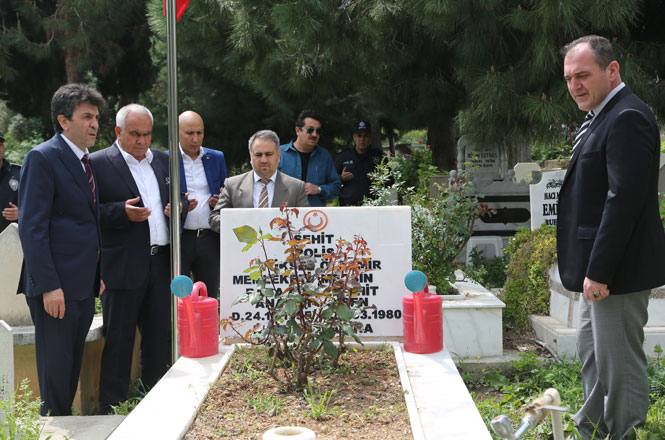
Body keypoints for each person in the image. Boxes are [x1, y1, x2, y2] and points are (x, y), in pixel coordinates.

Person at [557, 35, 665, 439]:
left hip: (617, 269)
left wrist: (599, 271)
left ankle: (624, 432)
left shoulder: (627, 117)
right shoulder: (602, 115)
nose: (575, 85)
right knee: (593, 356)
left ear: (612, 70)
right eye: (569, 78)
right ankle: (593, 431)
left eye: (583, 75)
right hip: (597, 267)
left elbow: (624, 201)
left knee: (618, 362)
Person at [90, 104, 186, 414]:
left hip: (161, 262)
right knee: (120, 338)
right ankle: (112, 407)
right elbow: (88, 212)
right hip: (122, 264)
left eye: (146, 134)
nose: (142, 141)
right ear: (118, 132)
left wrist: (179, 207)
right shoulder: (99, 163)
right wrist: (122, 213)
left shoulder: (165, 160)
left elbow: (179, 196)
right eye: (134, 134)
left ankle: (156, 401)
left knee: (159, 337)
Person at [18, 83, 104, 416]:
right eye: (86, 117)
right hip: (55, 287)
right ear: (63, 121)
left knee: (69, 368)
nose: (94, 124)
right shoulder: (42, 157)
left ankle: (65, 427)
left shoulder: (84, 160)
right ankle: (53, 429)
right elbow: (33, 228)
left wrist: (98, 274)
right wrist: (49, 285)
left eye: (96, 117)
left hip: (81, 284)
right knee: (56, 371)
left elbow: (87, 223)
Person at [209, 130, 308, 232]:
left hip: (281, 246)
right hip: (244, 246)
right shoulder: (232, 185)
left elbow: (304, 223)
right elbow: (214, 218)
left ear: (278, 156)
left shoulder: (296, 187)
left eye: (268, 154)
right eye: (258, 155)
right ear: (251, 156)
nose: (263, 160)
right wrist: (240, 225)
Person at [175, 110, 227, 299]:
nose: (195, 138)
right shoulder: (167, 158)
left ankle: (207, 329)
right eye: (190, 133)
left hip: (209, 237)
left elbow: (225, 191)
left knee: (209, 294)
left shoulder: (216, 157)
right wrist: (181, 205)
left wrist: (218, 201)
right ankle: (180, 329)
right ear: (177, 133)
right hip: (181, 239)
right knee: (178, 295)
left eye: (199, 132)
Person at [278, 110, 340, 206]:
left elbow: (336, 187)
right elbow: (265, 183)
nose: (314, 134)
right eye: (310, 130)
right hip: (284, 215)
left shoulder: (324, 156)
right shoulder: (279, 154)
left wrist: (319, 189)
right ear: (298, 130)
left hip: (314, 217)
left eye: (318, 131)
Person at [334, 120, 384, 206]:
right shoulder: (343, 157)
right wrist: (341, 178)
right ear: (354, 137)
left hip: (373, 207)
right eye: (359, 136)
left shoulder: (379, 157)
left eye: (365, 136)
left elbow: (391, 181)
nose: (362, 139)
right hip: (348, 207)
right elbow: (330, 181)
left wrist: (379, 178)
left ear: (370, 137)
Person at [0, 130, 21, 233]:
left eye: (0, 144)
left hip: (11, 243)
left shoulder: (20, 175)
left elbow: (37, 205)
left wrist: (21, 213)